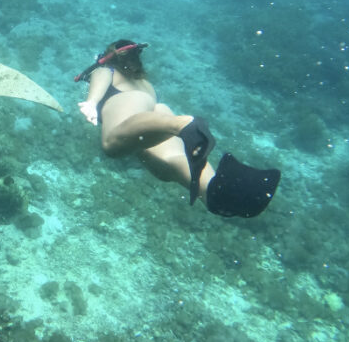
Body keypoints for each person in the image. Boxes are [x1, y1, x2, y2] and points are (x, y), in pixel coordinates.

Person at [76, 40, 280, 218]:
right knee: (170, 166)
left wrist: (91, 102)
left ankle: (182, 124)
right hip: (155, 113)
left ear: (108, 56)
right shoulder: (145, 84)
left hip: (134, 108)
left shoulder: (105, 69)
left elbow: (102, 76)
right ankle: (223, 194)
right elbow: (147, 108)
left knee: (111, 145)